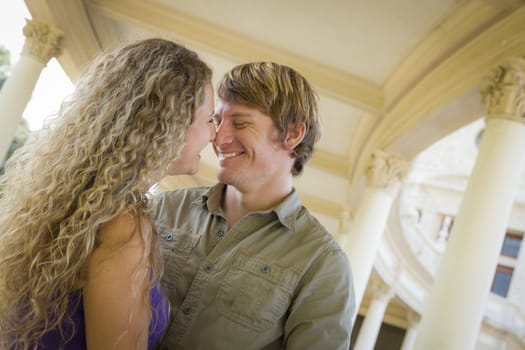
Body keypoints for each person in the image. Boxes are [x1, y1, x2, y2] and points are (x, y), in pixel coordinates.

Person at [0, 38, 216, 349]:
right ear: (169, 122)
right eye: (209, 119)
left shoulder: (76, 204)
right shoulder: (123, 228)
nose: (214, 133)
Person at [150, 62, 356, 349]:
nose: (218, 137)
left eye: (240, 123)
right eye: (217, 121)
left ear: (293, 134)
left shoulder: (322, 264)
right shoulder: (161, 208)